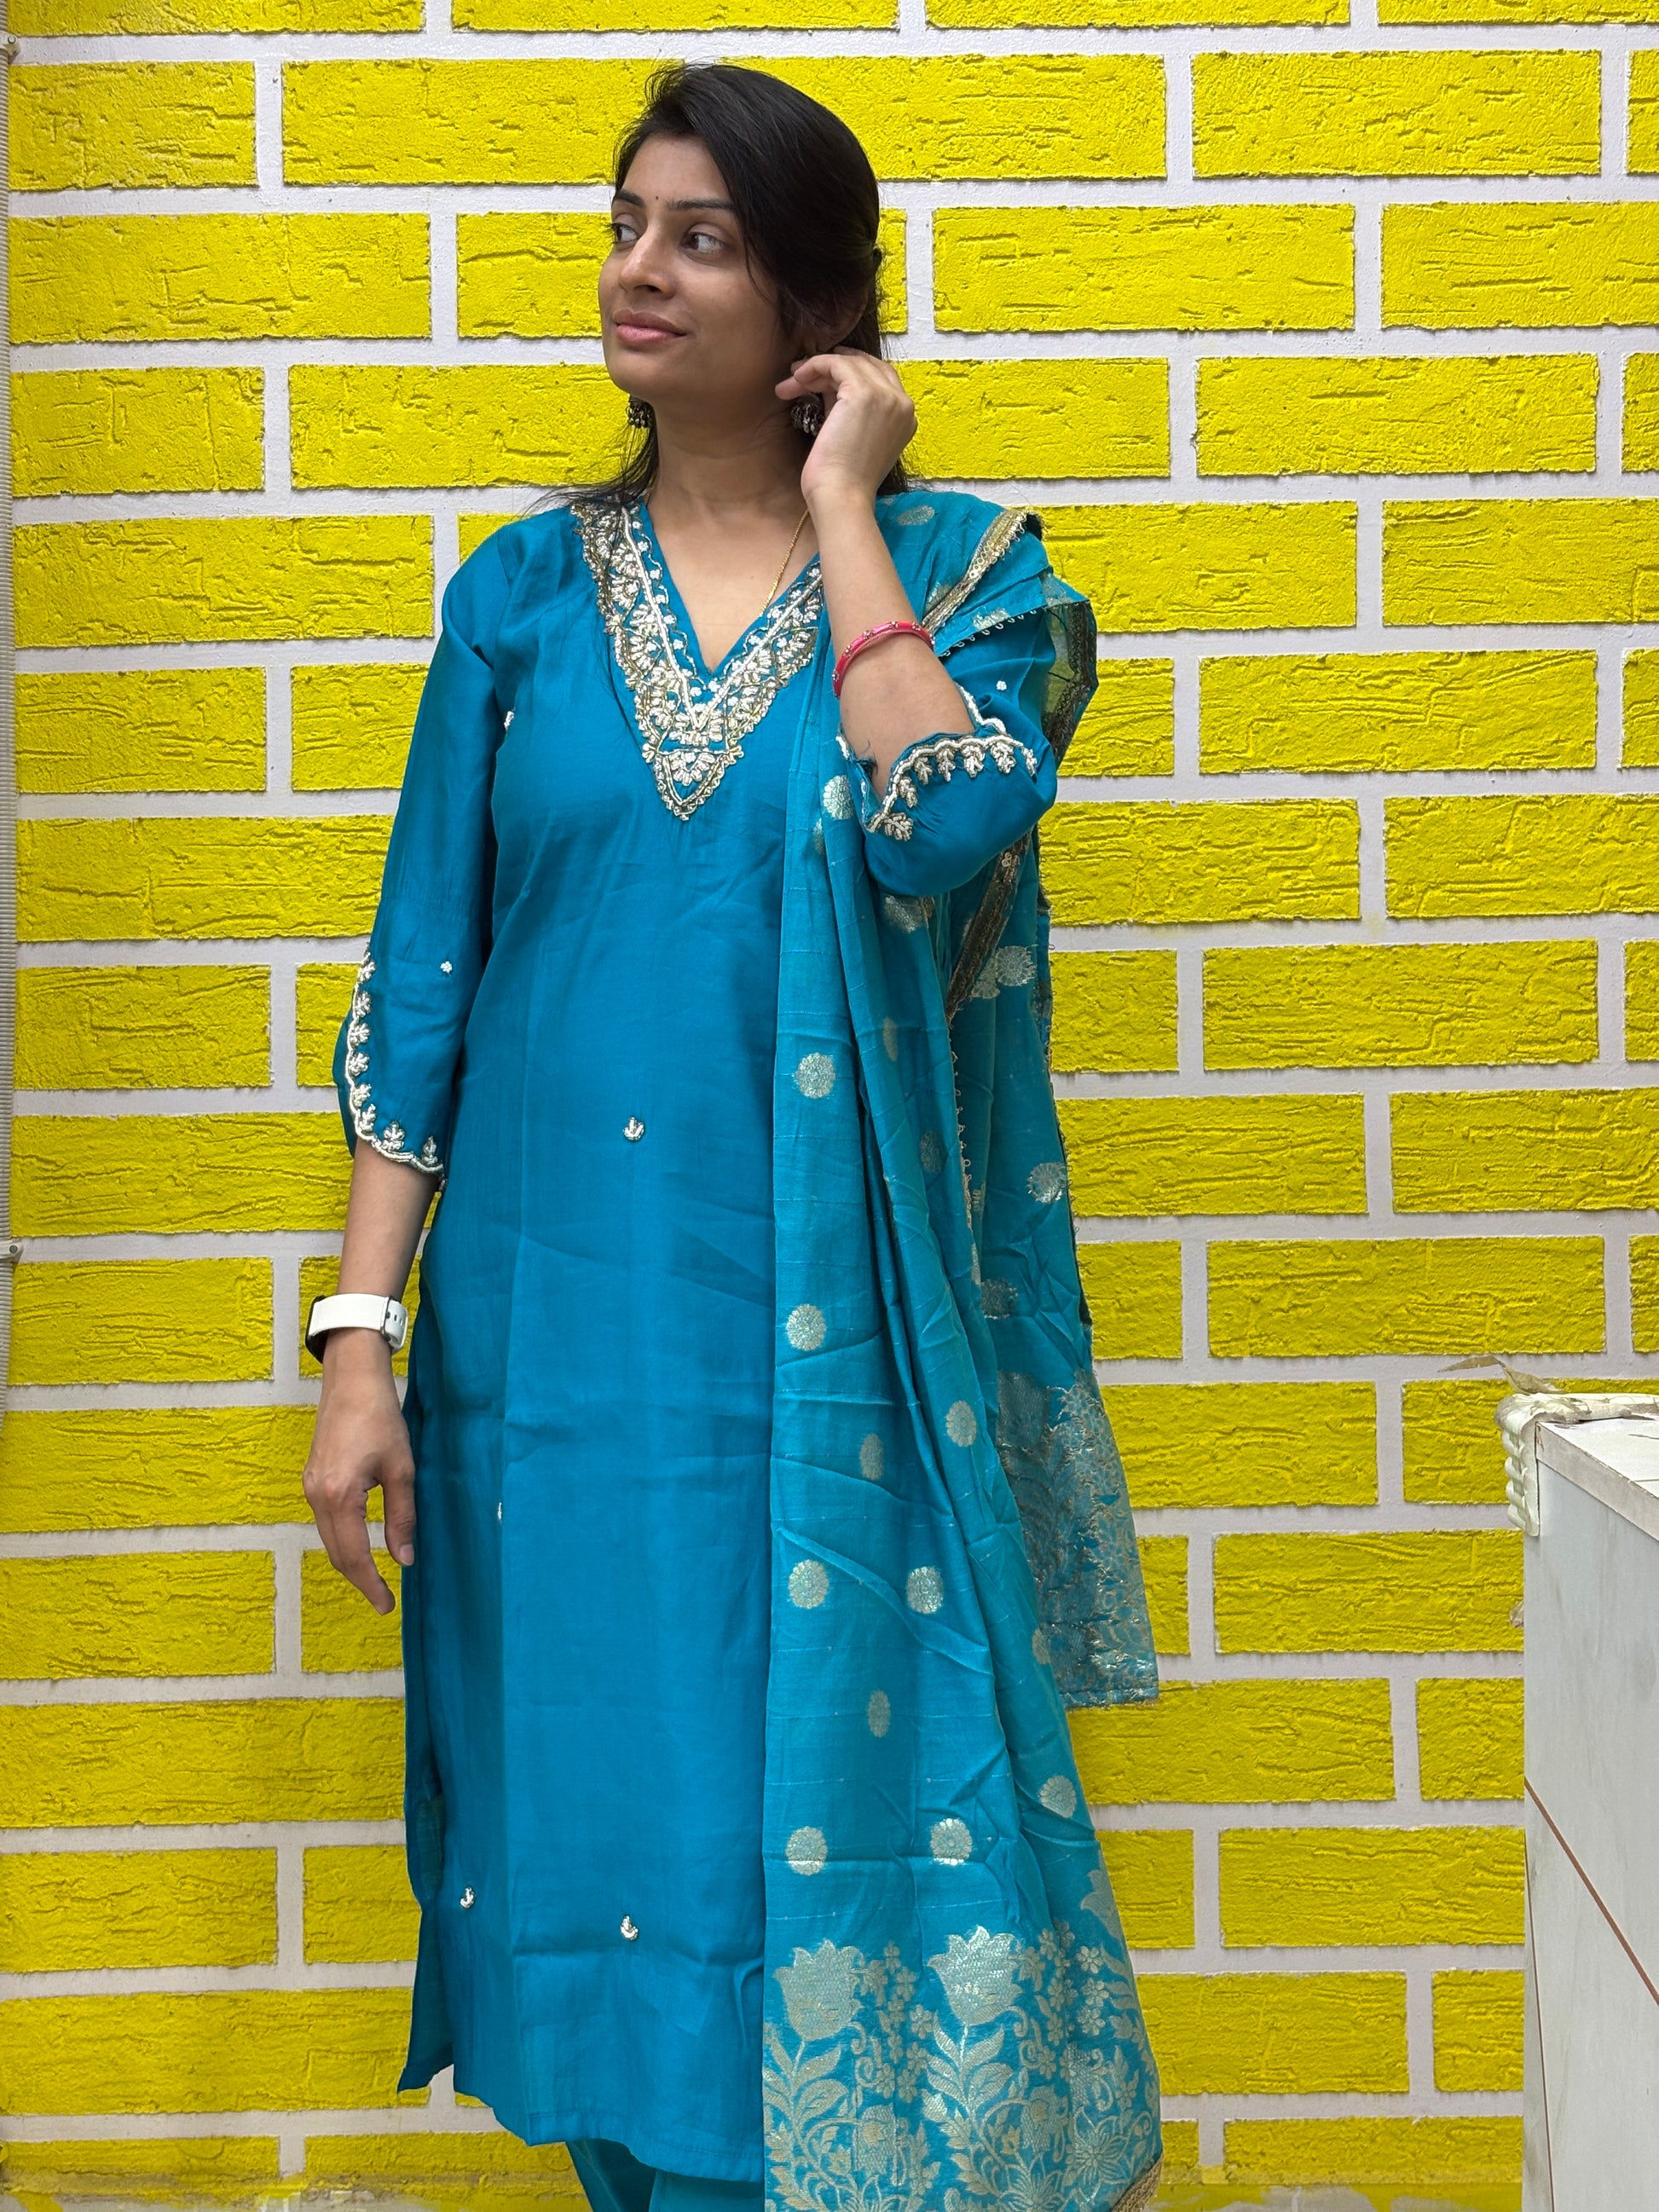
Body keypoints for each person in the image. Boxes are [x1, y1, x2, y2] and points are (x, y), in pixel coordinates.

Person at [300, 59, 1162, 2212]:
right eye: (626, 226)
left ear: (814, 300)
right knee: (597, 1828)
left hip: (828, 1350)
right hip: (554, 1352)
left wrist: (848, 503)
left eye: (701, 237)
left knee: (814, 1815)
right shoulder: (517, 595)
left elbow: (940, 816)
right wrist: (358, 1339)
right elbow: (422, 980)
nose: (640, 270)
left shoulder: (971, 574)